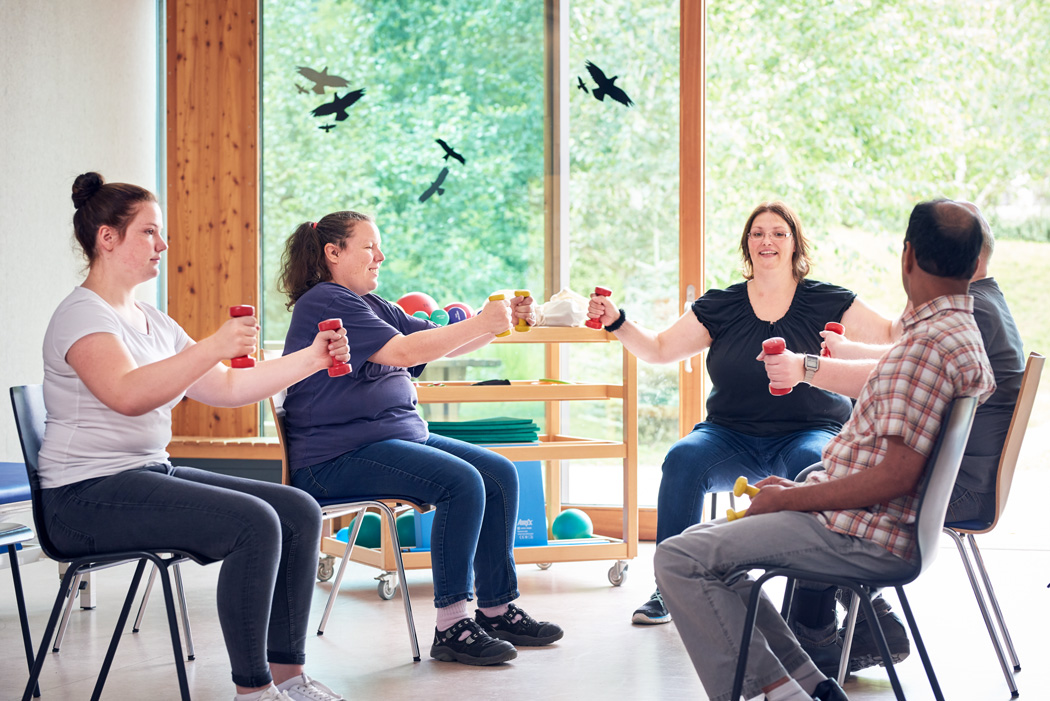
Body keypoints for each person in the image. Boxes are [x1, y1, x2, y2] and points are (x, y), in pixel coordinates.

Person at [653, 199, 996, 701]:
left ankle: (780, 692)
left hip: (857, 530)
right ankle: (807, 686)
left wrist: (789, 499)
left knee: (679, 558)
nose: (767, 243)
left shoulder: (927, 346)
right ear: (976, 265)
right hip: (855, 517)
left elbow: (896, 476)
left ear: (907, 257)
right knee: (709, 557)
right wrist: (797, 488)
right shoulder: (953, 334)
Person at [37, 174, 351, 701]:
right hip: (83, 497)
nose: (162, 246)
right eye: (148, 233)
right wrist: (211, 346)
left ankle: (288, 678)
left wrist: (313, 359)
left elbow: (228, 387)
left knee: (298, 510)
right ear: (107, 239)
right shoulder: (81, 317)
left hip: (143, 476)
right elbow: (127, 393)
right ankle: (252, 691)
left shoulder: (151, 321)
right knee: (253, 524)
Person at [586, 201, 901, 625]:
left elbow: (888, 335)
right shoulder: (723, 305)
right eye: (757, 233)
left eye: (778, 233)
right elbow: (659, 349)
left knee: (815, 463)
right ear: (747, 245)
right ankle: (669, 588)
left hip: (809, 430)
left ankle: (814, 603)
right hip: (729, 436)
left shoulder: (829, 299)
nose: (766, 240)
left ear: (795, 244)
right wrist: (616, 321)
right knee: (682, 459)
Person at [277, 210, 563, 667]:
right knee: (463, 482)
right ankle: (452, 625)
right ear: (333, 253)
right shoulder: (326, 300)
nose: (380, 257)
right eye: (370, 247)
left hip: (391, 442)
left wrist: (498, 321)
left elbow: (439, 342)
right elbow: (404, 352)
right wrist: (483, 321)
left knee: (499, 473)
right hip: (334, 459)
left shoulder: (373, 305)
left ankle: (496, 609)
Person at [762, 202, 1025, 674]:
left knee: (819, 481)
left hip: (954, 489)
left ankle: (819, 634)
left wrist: (810, 368)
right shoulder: (983, 304)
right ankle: (861, 623)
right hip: (964, 475)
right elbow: (899, 358)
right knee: (818, 473)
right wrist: (840, 353)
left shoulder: (968, 315)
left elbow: (892, 373)